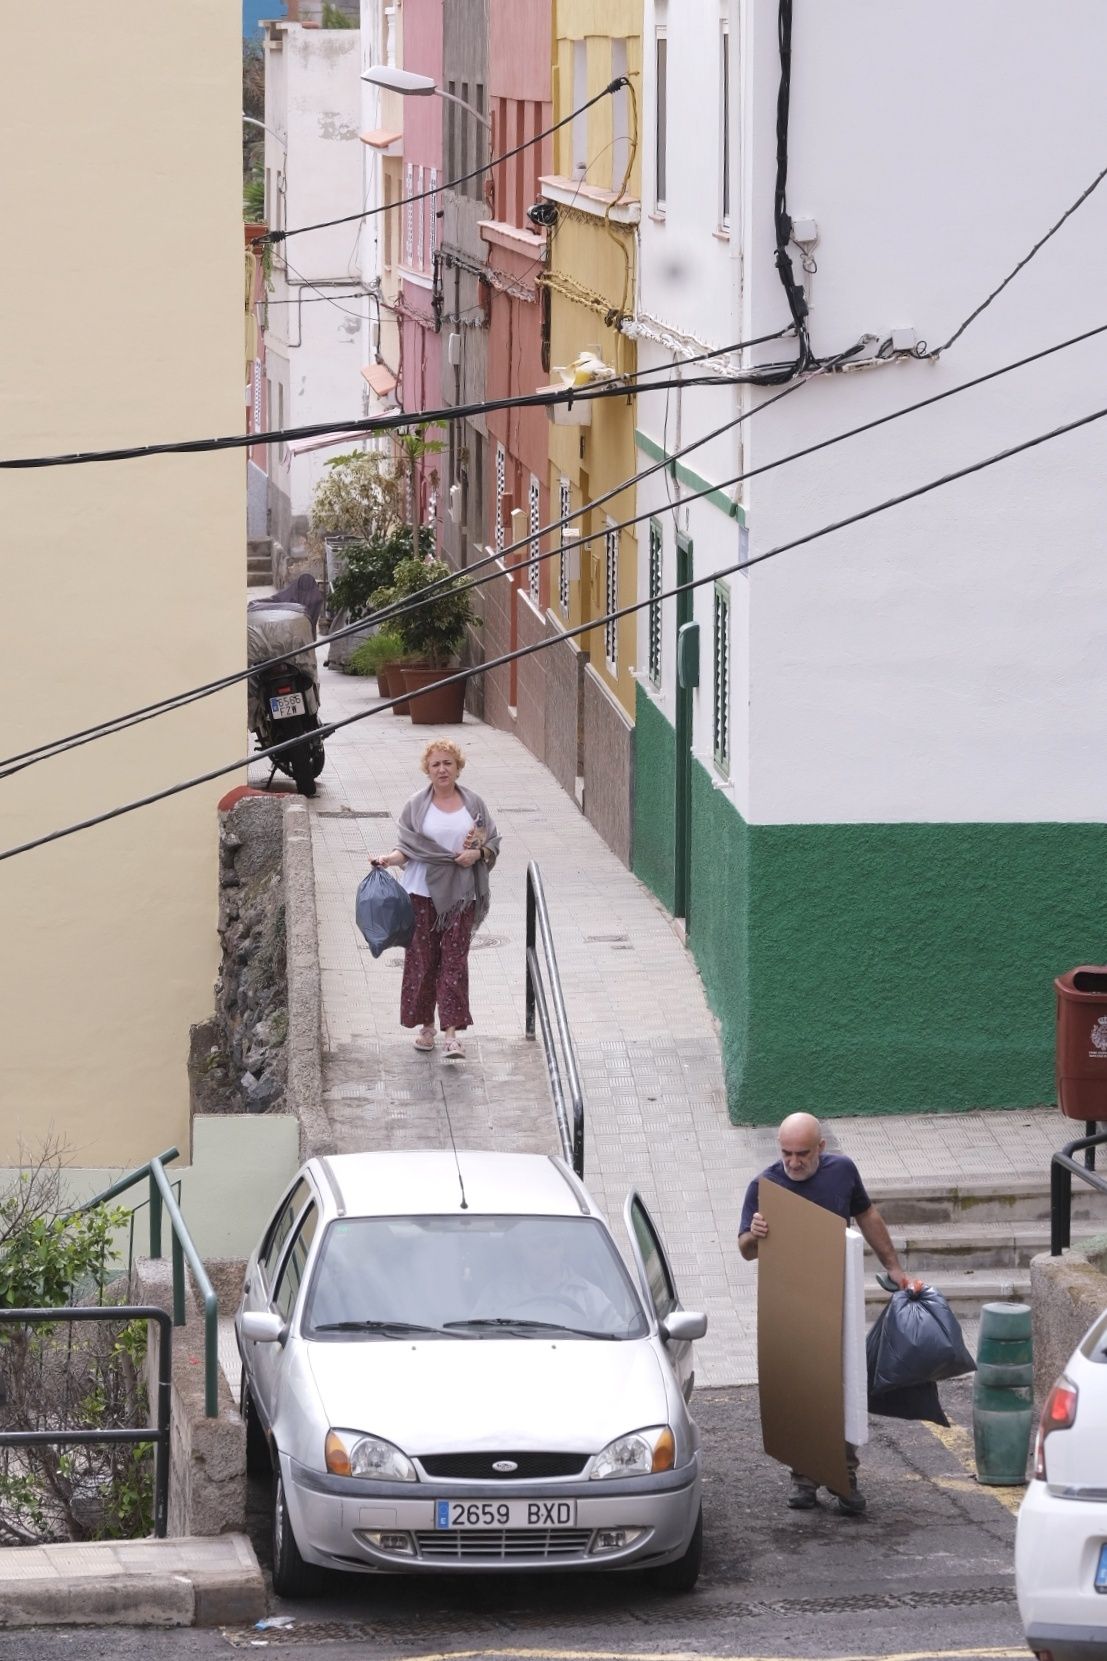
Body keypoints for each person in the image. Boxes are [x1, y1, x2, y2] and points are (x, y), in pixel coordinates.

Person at [737, 1111, 918, 1516]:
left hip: (839, 1295)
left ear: (821, 1147)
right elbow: (746, 1250)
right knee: (803, 1388)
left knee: (842, 1387)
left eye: (802, 1153)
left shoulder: (842, 1171)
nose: (794, 1162)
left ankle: (844, 1476)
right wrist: (756, 1233)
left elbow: (867, 1215)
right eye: (786, 1153)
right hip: (792, 1301)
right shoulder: (765, 1187)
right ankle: (804, 1478)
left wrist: (894, 1268)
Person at [371, 738, 500, 1062]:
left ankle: (452, 1034)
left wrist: (476, 853)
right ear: (427, 770)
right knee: (423, 962)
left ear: (458, 767)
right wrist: (388, 859)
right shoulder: (416, 805)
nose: (442, 769)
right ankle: (426, 1027)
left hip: (461, 895)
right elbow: (408, 849)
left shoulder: (474, 805)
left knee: (454, 962)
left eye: (448, 763)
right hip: (420, 894)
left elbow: (490, 843)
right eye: (435, 764)